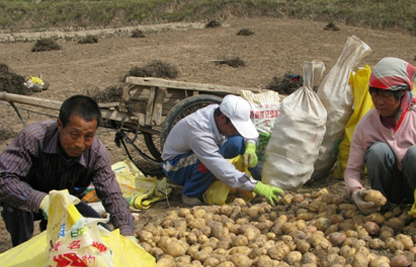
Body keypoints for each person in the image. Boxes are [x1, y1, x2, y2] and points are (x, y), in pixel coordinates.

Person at [0, 95, 136, 247]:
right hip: (30, 199)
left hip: (68, 202)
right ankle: (21, 248)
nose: (79, 144)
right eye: (74, 134)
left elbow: (112, 195)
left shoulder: (97, 154)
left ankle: (53, 232)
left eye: (88, 136)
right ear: (60, 125)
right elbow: (4, 177)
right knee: (13, 205)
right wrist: (42, 201)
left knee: (100, 234)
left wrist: (127, 232)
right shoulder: (34, 138)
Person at [344, 57, 416, 213]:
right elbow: (352, 170)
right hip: (387, 193)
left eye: (386, 95)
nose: (379, 102)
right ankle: (382, 209)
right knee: (377, 151)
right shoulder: (366, 125)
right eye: (375, 94)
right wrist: (356, 192)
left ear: (402, 92)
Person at [162, 94, 283, 206]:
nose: (237, 130)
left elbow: (250, 134)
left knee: (239, 142)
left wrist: (250, 147)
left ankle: (256, 181)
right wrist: (256, 187)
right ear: (222, 118)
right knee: (206, 163)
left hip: (205, 151)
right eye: (235, 127)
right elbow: (218, 165)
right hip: (175, 166)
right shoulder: (199, 132)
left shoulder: (218, 111)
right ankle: (191, 193)